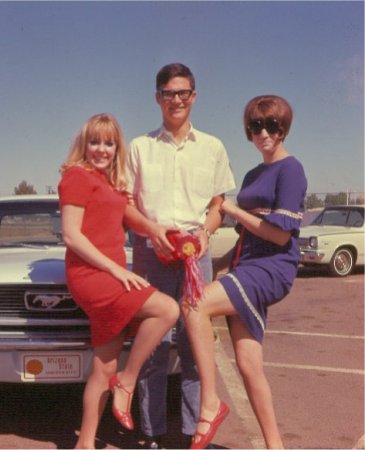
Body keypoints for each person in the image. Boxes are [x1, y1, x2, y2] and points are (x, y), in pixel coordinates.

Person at [182, 95, 308, 449]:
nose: (264, 133)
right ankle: (275, 445)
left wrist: (233, 210)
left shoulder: (291, 169)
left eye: (272, 125)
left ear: (284, 129)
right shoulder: (254, 174)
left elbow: (280, 234)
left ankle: (209, 402)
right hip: (246, 265)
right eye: (256, 126)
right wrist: (218, 268)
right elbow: (245, 238)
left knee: (194, 305)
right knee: (248, 366)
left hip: (273, 267)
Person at [126, 63, 236, 448]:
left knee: (195, 348)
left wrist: (205, 232)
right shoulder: (139, 147)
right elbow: (127, 205)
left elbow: (219, 204)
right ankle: (152, 435)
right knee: (153, 346)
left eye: (183, 93)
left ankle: (193, 432)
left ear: (194, 96)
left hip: (194, 258)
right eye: (168, 93)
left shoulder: (213, 147)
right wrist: (151, 231)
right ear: (157, 98)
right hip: (150, 254)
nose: (176, 100)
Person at [58, 113, 180, 450]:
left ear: (116, 147)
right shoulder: (77, 176)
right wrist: (116, 270)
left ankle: (84, 443)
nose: (101, 149)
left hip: (109, 273)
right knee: (167, 309)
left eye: (109, 143)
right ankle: (127, 383)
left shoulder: (110, 182)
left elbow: (132, 219)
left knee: (103, 366)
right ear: (85, 144)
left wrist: (157, 230)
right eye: (95, 141)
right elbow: (71, 236)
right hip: (91, 275)